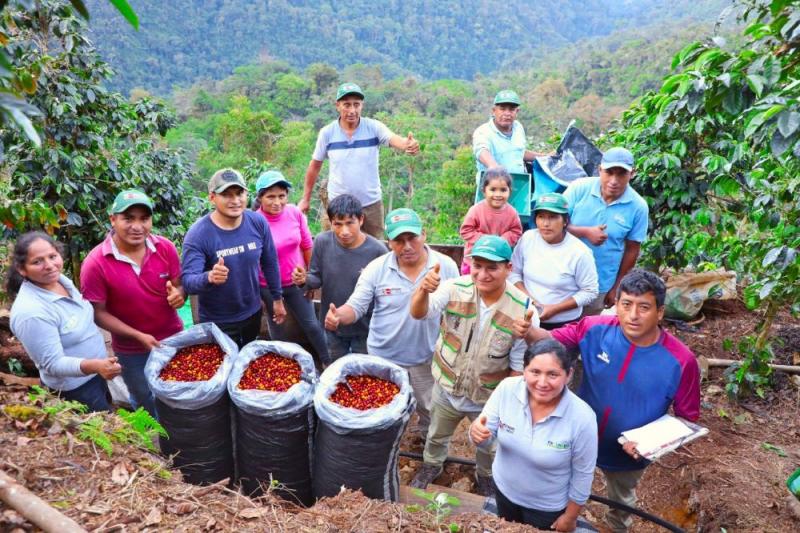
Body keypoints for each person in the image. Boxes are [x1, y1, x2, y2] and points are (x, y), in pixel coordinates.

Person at [525, 269, 701, 532]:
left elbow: (687, 417)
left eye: (644, 307)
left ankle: (614, 527)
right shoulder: (594, 329)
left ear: (660, 312)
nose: (633, 315)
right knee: (557, 484)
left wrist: (648, 442)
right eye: (626, 304)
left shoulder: (681, 361)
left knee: (620, 502)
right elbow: (551, 342)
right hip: (575, 434)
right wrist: (529, 331)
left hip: (627, 453)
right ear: (616, 304)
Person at [408, 235, 538, 496]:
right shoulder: (453, 288)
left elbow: (517, 365)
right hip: (447, 387)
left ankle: (486, 475)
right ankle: (432, 465)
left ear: (508, 269)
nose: (483, 274)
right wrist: (423, 290)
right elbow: (419, 312)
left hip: (486, 396)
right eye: (478, 265)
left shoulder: (523, 307)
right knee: (436, 434)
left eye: (492, 267)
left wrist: (506, 403)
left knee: (488, 444)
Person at [324, 208, 459, 434]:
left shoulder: (445, 266)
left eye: (412, 238)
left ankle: (425, 438)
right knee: (382, 407)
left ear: (423, 234)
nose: (406, 246)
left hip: (425, 357)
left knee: (428, 406)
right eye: (398, 240)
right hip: (384, 356)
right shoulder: (377, 269)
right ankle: (385, 443)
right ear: (389, 242)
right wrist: (338, 316)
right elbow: (356, 306)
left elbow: (456, 309)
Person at [470, 339, 597, 531]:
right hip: (504, 491)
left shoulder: (582, 418)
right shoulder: (507, 389)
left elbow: (583, 474)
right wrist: (477, 434)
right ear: (524, 370)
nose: (542, 383)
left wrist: (570, 517)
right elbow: (485, 438)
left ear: (568, 375)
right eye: (535, 372)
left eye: (553, 374)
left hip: (546, 508)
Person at [81, 190, 185, 417]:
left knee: (177, 389)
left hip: (173, 339)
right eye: (128, 218)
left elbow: (179, 285)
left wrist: (179, 295)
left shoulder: (165, 248)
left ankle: (178, 432)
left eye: (144, 219)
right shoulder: (95, 263)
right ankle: (152, 441)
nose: (137, 226)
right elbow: (99, 313)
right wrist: (138, 335)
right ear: (113, 220)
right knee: (144, 395)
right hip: (131, 350)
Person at [8, 232, 121, 411]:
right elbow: (53, 364)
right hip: (76, 389)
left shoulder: (61, 281)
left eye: (52, 256)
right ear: (22, 269)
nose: (49, 265)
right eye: (37, 262)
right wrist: (96, 365)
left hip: (96, 374)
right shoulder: (31, 313)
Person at [297, 82, 420, 238]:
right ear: (338, 106)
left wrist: (408, 144)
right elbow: (314, 167)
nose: (352, 110)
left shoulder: (374, 128)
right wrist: (305, 199)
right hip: (337, 206)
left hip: (370, 206)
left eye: (356, 104)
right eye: (347, 105)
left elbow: (396, 140)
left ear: (362, 105)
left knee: (374, 251)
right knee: (333, 251)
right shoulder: (327, 133)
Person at [182, 168, 286, 347]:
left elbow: (270, 263)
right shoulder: (198, 234)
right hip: (218, 321)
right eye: (227, 195)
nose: (235, 201)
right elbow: (188, 281)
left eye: (239, 193)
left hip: (252, 313)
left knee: (248, 364)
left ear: (247, 194)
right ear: (212, 197)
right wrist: (209, 277)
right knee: (224, 369)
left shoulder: (257, 222)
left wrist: (277, 299)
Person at [291, 194, 387, 361]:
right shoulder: (322, 241)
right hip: (331, 324)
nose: (344, 231)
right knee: (333, 369)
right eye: (338, 224)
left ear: (361, 220)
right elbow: (316, 276)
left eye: (350, 223)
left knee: (362, 374)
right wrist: (304, 280)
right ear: (331, 222)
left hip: (365, 327)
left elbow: (385, 292)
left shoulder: (377, 251)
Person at [252, 170, 331, 365]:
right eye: (270, 197)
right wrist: (257, 294)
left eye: (282, 196)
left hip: (296, 282)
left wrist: (310, 279)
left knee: (311, 325)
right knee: (277, 329)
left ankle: (328, 361)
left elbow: (307, 246)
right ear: (260, 197)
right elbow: (251, 260)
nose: (277, 202)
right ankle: (284, 368)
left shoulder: (294, 213)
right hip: (268, 287)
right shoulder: (253, 221)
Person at [563, 147, 648, 314]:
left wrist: (617, 286)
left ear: (632, 174)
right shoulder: (579, 188)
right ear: (599, 169)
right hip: (565, 276)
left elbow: (632, 250)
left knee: (588, 330)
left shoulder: (638, 207)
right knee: (557, 329)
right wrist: (585, 232)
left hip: (600, 282)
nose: (614, 180)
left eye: (621, 174)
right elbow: (554, 224)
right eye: (609, 172)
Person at [509, 192, 598, 329]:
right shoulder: (528, 238)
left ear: (565, 221)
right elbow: (514, 272)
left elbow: (590, 291)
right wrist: (530, 300)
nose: (545, 223)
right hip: (527, 315)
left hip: (563, 324)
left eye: (553, 217)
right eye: (541, 217)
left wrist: (555, 309)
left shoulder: (580, 252)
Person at [459, 167, 523, 274]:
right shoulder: (476, 210)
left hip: (498, 260)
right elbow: (466, 231)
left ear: (509, 191)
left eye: (503, 190)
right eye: (493, 189)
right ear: (484, 191)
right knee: (469, 287)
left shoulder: (512, 212)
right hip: (474, 260)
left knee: (495, 286)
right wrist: (486, 240)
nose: (498, 194)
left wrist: (501, 241)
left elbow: (516, 231)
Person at [472, 89, 546, 179]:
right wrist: (494, 167)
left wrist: (546, 157)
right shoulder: (483, 132)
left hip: (520, 185)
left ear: (517, 112)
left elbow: (519, 152)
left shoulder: (518, 127)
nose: (507, 113)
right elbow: (481, 151)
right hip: (494, 188)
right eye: (502, 109)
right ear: (494, 111)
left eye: (511, 109)